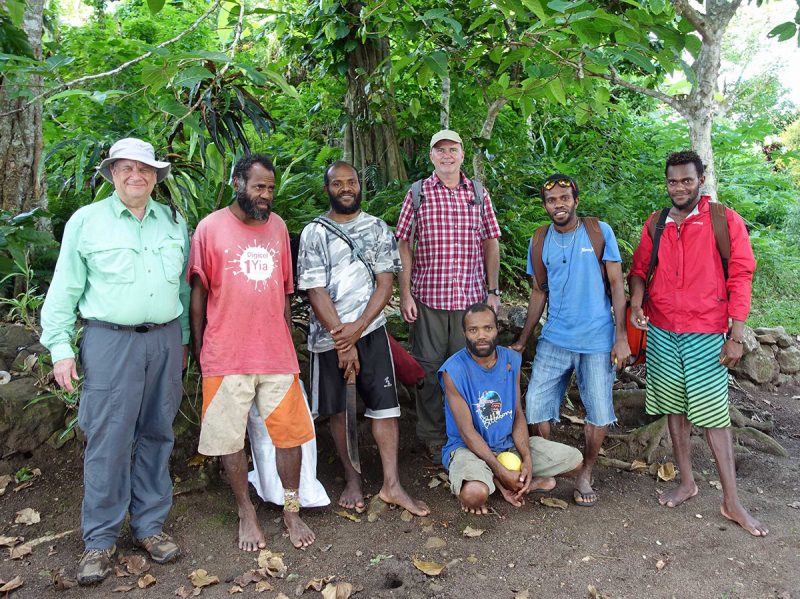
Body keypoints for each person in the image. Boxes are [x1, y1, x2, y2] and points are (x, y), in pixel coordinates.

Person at [40, 138, 188, 584]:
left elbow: (181, 288)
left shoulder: (173, 221)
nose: (135, 175)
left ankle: (149, 526)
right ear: (112, 174)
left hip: (163, 341)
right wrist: (61, 349)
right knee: (108, 437)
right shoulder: (87, 222)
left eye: (143, 168)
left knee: (159, 433)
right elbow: (63, 289)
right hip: (109, 342)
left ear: (156, 176)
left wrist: (181, 341)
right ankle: (100, 538)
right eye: (125, 168)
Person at [628, 150, 767, 537]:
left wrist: (736, 334)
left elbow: (741, 275)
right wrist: (637, 302)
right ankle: (687, 482)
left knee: (714, 416)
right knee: (674, 408)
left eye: (687, 180)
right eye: (673, 181)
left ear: (700, 179)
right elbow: (639, 270)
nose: (679, 187)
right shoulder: (656, 223)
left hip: (706, 333)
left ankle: (732, 502)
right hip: (661, 331)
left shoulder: (723, 220)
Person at [188, 154, 316, 550]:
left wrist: (289, 345)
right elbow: (198, 298)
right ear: (238, 183)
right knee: (230, 440)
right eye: (259, 187)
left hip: (275, 354)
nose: (266, 196)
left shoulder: (277, 228)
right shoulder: (209, 229)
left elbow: (283, 293)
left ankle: (291, 509)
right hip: (225, 355)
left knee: (289, 436)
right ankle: (246, 511)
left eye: (271, 189)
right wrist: (199, 351)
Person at [296, 161, 429, 517]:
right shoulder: (314, 232)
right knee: (338, 409)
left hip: (371, 333)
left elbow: (385, 283)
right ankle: (352, 478)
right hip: (329, 339)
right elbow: (315, 290)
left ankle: (392, 484)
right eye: (337, 183)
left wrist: (358, 329)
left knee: (384, 408)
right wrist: (343, 339)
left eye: (351, 182)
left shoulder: (377, 228)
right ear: (327, 189)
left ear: (359, 185)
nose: (345, 188)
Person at [510, 174, 630, 507]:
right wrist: (523, 339)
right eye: (551, 200)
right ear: (545, 206)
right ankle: (550, 466)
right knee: (535, 406)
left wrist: (621, 338)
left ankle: (585, 472)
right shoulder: (539, 240)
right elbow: (538, 292)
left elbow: (618, 286)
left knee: (599, 411)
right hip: (554, 339)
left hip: (597, 339)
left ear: (576, 200)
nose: (558, 204)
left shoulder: (598, 232)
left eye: (564, 198)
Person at [395, 130, 502, 460]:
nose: (446, 156)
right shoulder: (419, 194)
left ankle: (468, 432)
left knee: (469, 367)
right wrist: (405, 293)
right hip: (428, 298)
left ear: (461, 154)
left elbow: (491, 242)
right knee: (428, 368)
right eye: (439, 151)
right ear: (431, 157)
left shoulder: (478, 194)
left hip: (470, 301)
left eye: (452, 150)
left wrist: (493, 292)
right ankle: (431, 434)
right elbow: (403, 243)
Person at [439, 303, 583, 513]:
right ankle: (499, 482)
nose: (481, 335)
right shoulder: (452, 371)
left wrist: (527, 459)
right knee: (474, 495)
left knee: (575, 461)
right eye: (473, 330)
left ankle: (520, 483)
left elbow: (516, 415)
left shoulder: (511, 360)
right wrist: (500, 471)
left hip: (509, 446)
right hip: (468, 449)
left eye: (487, 328)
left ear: (497, 329)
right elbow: (467, 433)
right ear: (464, 333)